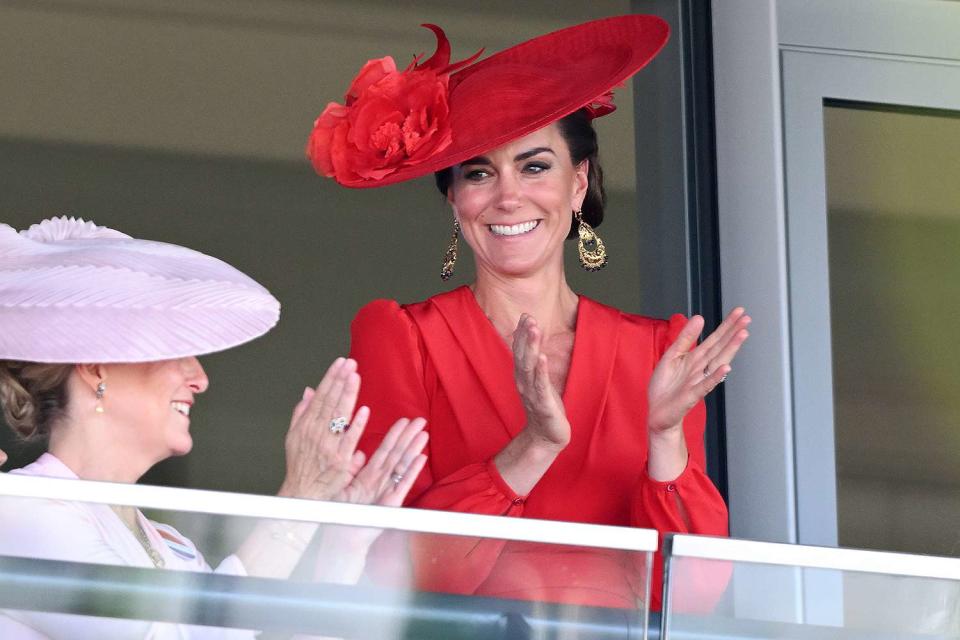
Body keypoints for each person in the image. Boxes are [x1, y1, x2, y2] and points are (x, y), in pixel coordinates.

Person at [305, 16, 749, 610]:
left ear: (577, 183)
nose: (508, 196)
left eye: (535, 166)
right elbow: (396, 564)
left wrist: (665, 438)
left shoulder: (657, 353)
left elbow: (690, 596)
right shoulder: (402, 339)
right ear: (455, 202)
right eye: (479, 173)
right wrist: (534, 446)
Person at [0, 216, 428, 638]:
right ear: (95, 368)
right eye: (177, 350)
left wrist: (342, 543)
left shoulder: (167, 545)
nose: (200, 379)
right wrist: (301, 499)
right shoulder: (19, 511)